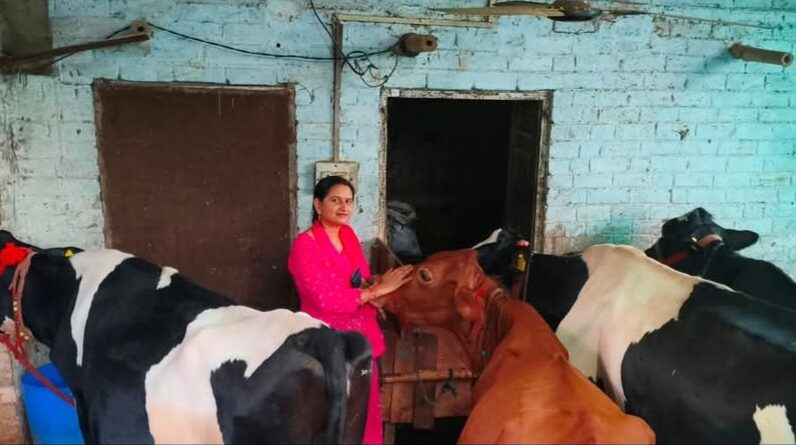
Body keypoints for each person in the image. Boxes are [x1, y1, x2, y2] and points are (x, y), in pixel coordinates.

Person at [288, 175, 412, 444]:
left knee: (364, 414)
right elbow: (325, 299)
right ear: (318, 205)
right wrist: (376, 291)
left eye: (348, 201)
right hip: (327, 342)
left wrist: (377, 295)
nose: (344, 207)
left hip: (361, 338)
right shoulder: (304, 245)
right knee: (332, 416)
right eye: (335, 200)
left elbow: (360, 278)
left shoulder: (348, 235)